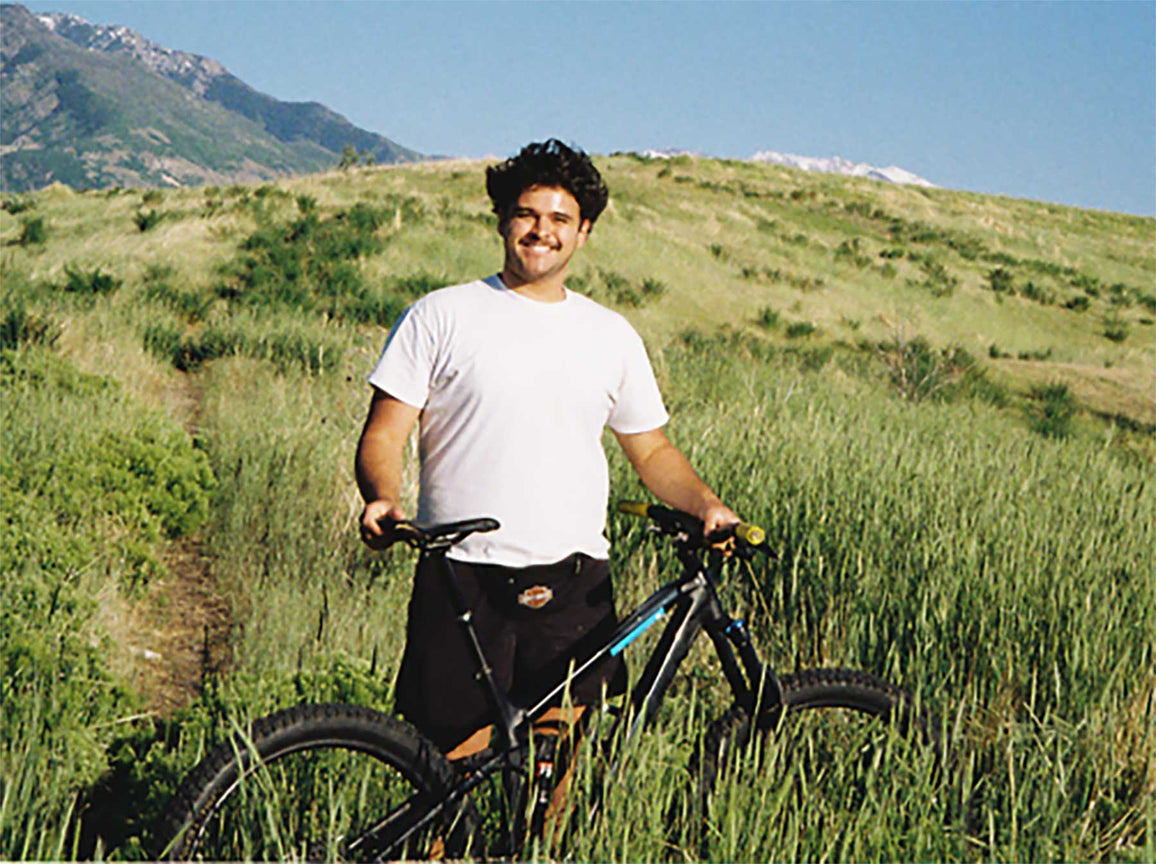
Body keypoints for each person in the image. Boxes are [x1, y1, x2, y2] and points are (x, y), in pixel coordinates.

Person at [356, 139, 738, 761]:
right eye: (528, 214)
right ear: (503, 220)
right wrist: (383, 497)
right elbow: (385, 431)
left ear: (584, 232)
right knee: (450, 775)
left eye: (560, 219)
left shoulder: (610, 335)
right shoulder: (441, 315)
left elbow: (652, 452)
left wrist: (707, 505)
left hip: (573, 581)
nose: (542, 231)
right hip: (464, 571)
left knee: (555, 765)